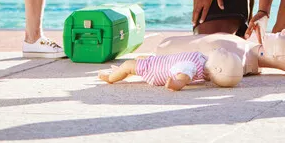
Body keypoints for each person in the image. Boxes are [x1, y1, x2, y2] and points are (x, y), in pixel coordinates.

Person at [155, 30, 285, 76]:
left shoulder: (235, 60)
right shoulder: (247, 51)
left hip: (162, 55)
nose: (284, 31)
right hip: (166, 46)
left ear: (284, 58)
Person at [98, 48, 243, 91]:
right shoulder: (204, 63)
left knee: (128, 65)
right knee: (139, 60)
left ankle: (110, 78)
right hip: (157, 62)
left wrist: (175, 84)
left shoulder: (191, 68)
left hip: (154, 70)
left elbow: (183, 78)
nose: (224, 50)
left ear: (217, 68)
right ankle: (121, 72)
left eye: (225, 54)